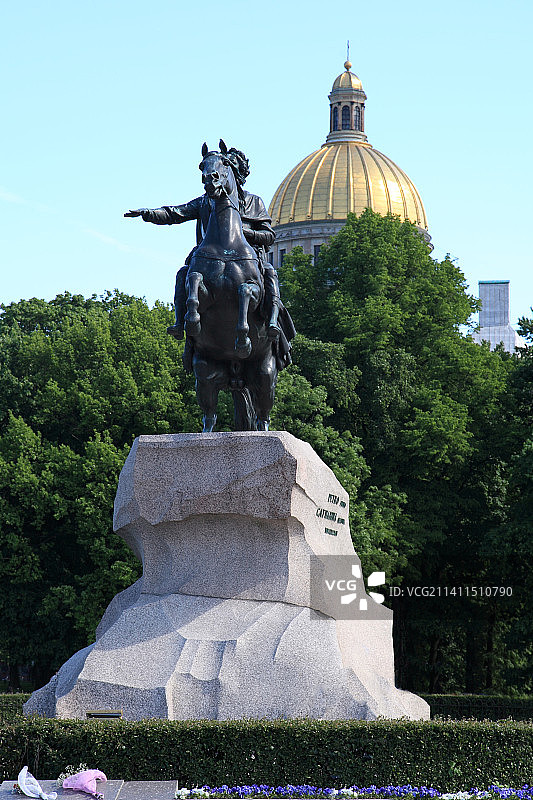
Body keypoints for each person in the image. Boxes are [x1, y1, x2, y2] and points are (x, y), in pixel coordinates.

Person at [125, 147, 295, 369]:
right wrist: (148, 213)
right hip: (211, 258)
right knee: (184, 274)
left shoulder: (254, 202)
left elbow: (269, 235)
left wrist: (246, 233)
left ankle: (273, 323)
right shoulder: (207, 201)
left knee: (271, 274)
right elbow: (176, 213)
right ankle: (180, 322)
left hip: (250, 260)